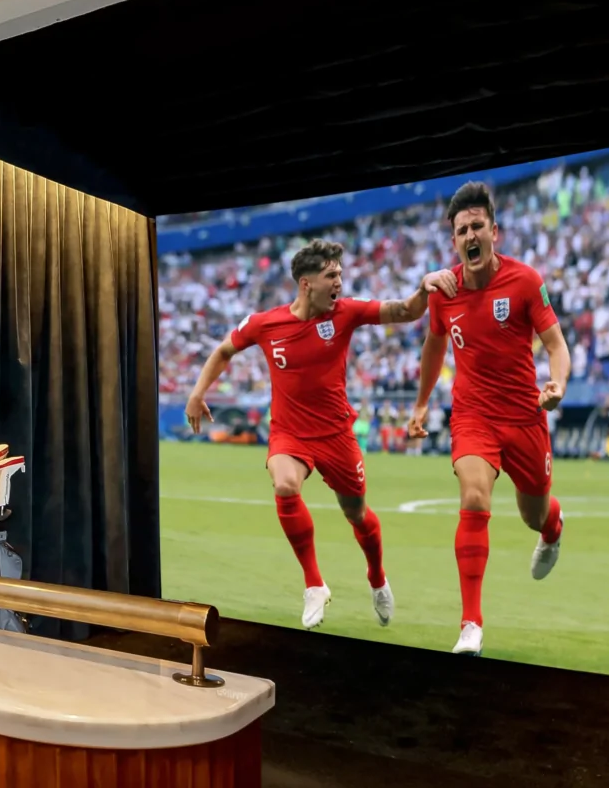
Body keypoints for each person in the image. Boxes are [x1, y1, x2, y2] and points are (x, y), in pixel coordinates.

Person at [185, 238, 434, 629]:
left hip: (336, 435)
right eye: (331, 275)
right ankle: (315, 584)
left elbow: (405, 310)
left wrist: (425, 289)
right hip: (289, 433)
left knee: (357, 515)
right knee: (285, 485)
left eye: (340, 274)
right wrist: (197, 393)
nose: (340, 282)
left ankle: (377, 577)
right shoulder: (265, 323)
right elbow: (224, 351)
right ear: (306, 283)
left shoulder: (346, 312)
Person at [406, 181, 572, 657]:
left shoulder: (524, 281)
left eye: (477, 226)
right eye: (462, 230)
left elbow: (557, 345)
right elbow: (434, 346)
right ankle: (471, 624)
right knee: (474, 495)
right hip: (473, 415)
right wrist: (421, 403)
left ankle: (553, 527)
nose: (470, 235)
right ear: (454, 241)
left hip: (524, 416)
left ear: (494, 232)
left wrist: (557, 384)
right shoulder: (443, 291)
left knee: (533, 514)